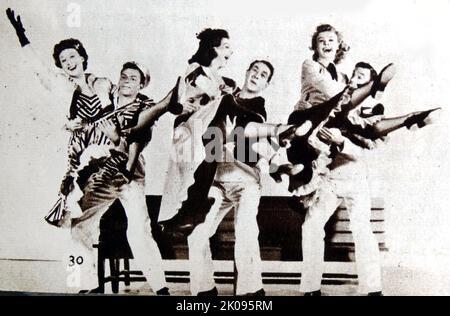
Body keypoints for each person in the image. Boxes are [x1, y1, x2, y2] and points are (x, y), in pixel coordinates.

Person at [289, 24, 438, 296]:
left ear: (339, 46)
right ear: (315, 45)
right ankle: (310, 288)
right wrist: (368, 88)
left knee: (361, 230)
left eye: (331, 40)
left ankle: (373, 290)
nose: (326, 44)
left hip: (352, 171)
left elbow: (360, 133)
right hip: (323, 160)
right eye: (321, 40)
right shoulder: (311, 67)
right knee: (311, 225)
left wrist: (364, 108)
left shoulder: (345, 77)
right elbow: (334, 96)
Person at [187, 60, 311, 296]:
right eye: (254, 70)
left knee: (245, 234)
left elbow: (247, 134)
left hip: (246, 183)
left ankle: (251, 292)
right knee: (197, 234)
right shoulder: (224, 96)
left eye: (263, 74)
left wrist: (274, 159)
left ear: (266, 84)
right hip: (217, 181)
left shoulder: (257, 107)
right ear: (246, 72)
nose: (257, 75)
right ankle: (205, 291)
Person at [64, 61, 176, 294]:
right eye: (124, 76)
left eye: (133, 78)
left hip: (129, 173)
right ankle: (88, 287)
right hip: (100, 173)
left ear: (142, 84)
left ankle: (160, 288)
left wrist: (115, 137)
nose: (126, 80)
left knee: (139, 229)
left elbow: (139, 139)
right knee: (79, 225)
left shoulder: (145, 106)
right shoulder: (105, 97)